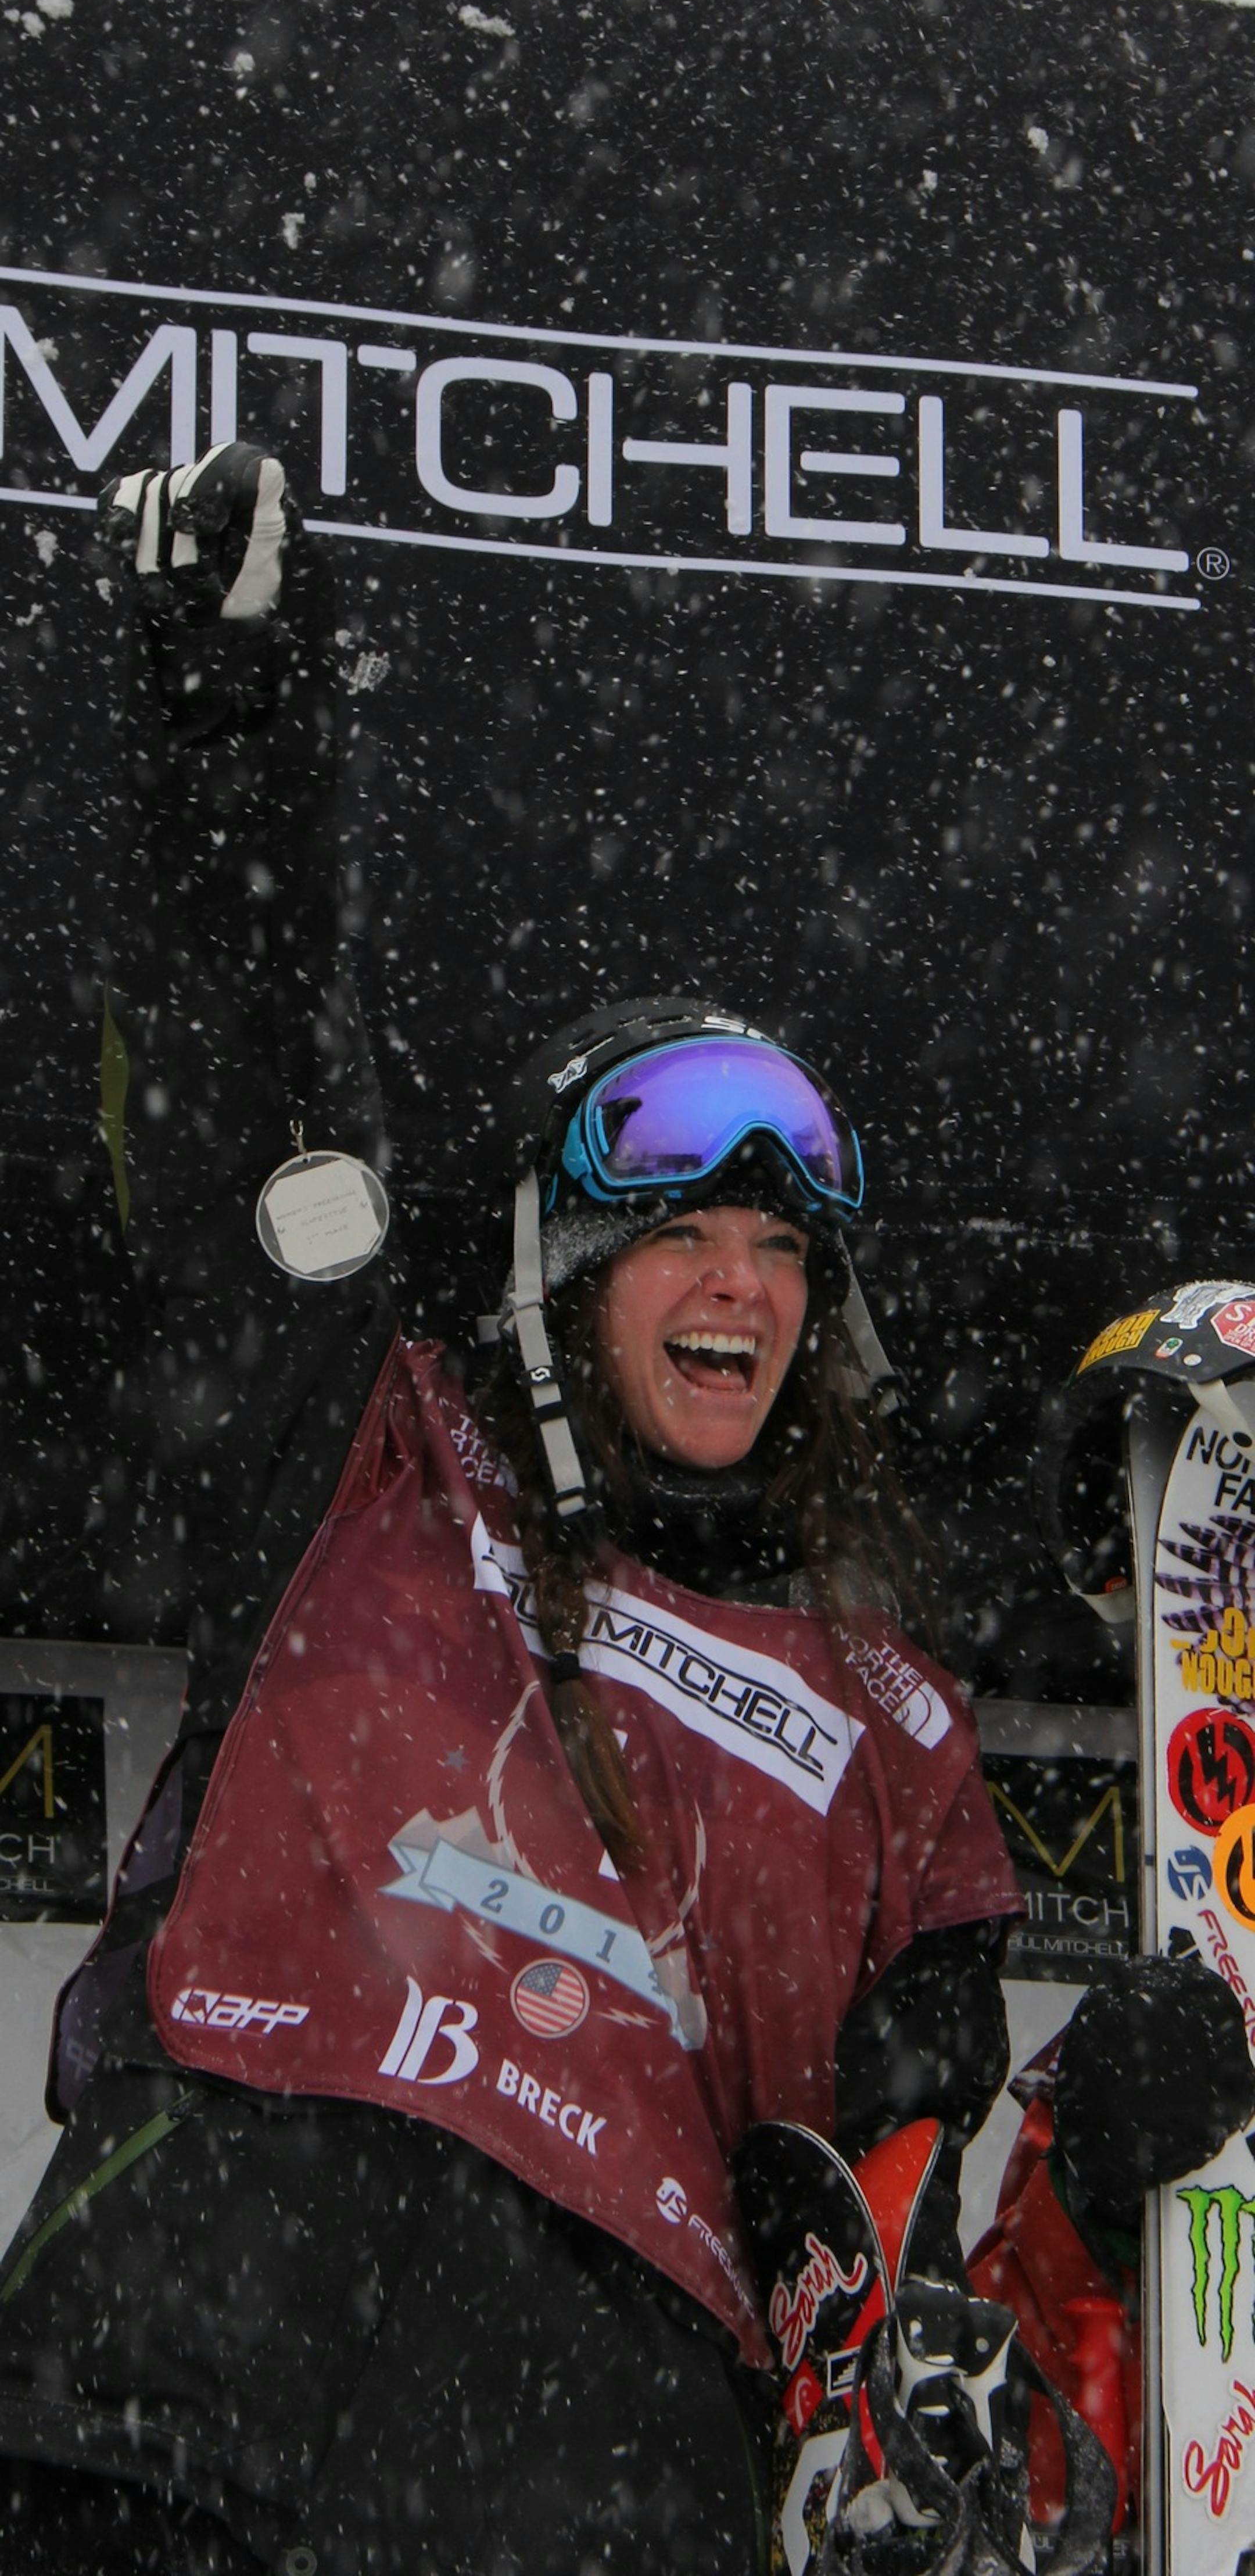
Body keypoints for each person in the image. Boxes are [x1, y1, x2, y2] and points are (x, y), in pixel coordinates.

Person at [0, 453, 1246, 2576]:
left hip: (587, 2506)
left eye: (782, 1248)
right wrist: (230, 730)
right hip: (165, 2411)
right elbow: (233, 1091)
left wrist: (1089, 2165)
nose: (742, 1283)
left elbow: (892, 2304)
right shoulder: (366, 1449)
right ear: (557, 1279)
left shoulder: (902, 1742)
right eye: (678, 1234)